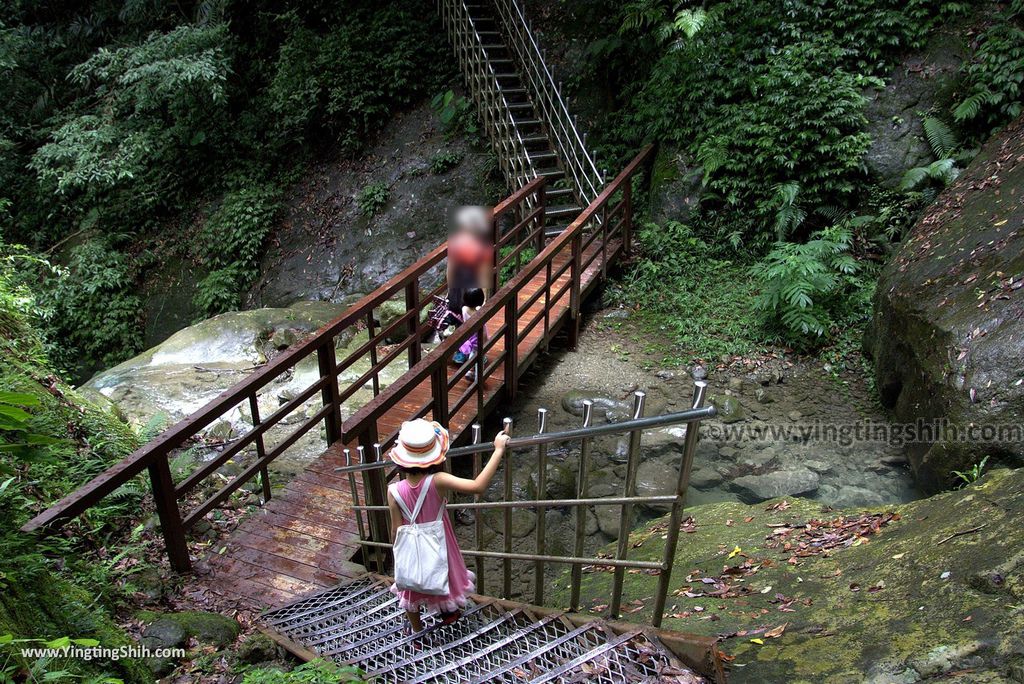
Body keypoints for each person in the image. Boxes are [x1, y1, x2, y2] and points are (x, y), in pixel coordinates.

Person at [387, 419, 510, 635]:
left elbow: (396, 530)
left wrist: (401, 554)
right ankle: (450, 613)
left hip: (411, 547)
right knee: (444, 574)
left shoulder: (394, 490)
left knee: (411, 586)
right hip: (439, 541)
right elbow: (477, 486)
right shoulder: (438, 480)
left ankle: (416, 633)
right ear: (434, 457)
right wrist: (498, 450)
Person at [436, 206, 493, 343]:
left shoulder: (455, 241)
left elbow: (450, 269)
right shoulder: (483, 246)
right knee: (473, 321)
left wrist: (450, 291)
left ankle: (459, 353)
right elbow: (483, 274)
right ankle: (474, 352)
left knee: (456, 319)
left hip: (457, 286)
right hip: (472, 287)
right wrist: (484, 298)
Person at [454, 287, 486, 366]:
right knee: (475, 351)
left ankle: (464, 356)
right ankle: (471, 369)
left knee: (469, 346)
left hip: (469, 335)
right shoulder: (479, 312)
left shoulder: (464, 309)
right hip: (479, 336)